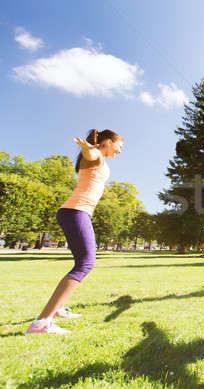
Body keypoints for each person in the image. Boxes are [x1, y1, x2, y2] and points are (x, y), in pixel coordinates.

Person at [26, 129, 123, 335]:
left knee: (82, 263)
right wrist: (89, 150)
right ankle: (41, 323)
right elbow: (92, 155)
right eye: (119, 146)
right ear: (107, 142)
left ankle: (58, 309)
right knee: (85, 264)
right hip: (76, 212)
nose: (120, 151)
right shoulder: (94, 157)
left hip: (77, 213)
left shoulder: (100, 160)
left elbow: (94, 156)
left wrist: (91, 152)